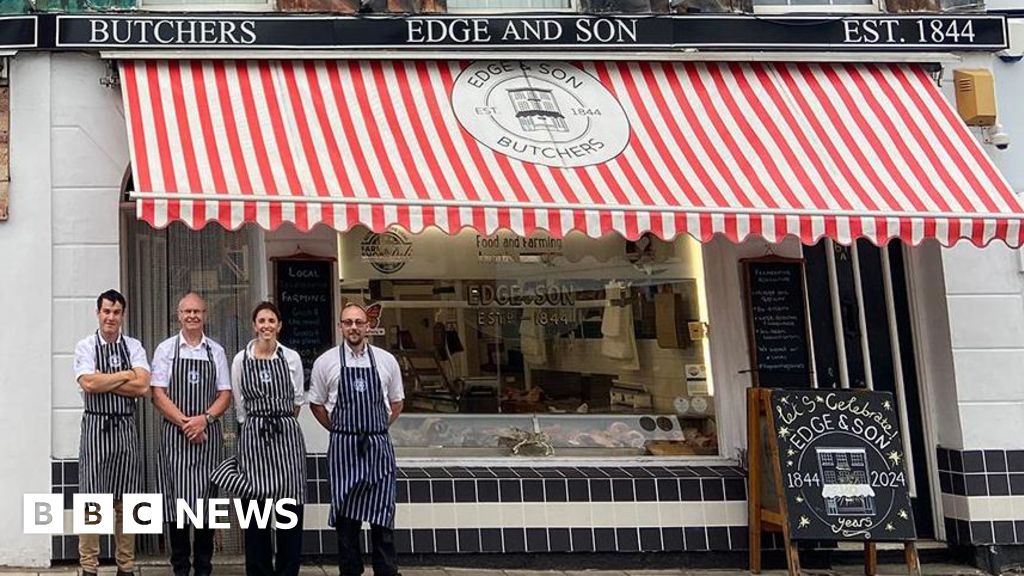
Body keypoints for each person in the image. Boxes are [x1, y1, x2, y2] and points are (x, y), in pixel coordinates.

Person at [211, 302, 307, 576]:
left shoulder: (291, 358)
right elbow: (240, 407)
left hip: (286, 439)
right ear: (254, 325)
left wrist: (279, 422)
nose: (266, 325)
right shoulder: (241, 359)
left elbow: (297, 402)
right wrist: (256, 429)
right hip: (253, 438)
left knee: (289, 511)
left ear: (279, 326)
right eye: (261, 320)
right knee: (255, 513)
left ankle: (288, 570)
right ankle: (258, 570)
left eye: (271, 320)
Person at [309, 303, 405, 576]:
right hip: (343, 447)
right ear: (340, 326)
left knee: (383, 517)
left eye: (359, 322)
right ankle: (350, 571)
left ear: (368, 326)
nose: (353, 327)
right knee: (346, 519)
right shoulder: (325, 362)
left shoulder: (387, 361)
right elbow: (316, 404)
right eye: (348, 322)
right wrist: (342, 430)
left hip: (377, 446)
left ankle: (386, 571)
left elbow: (397, 402)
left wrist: (374, 428)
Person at [150, 293, 232, 576]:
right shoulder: (166, 349)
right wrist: (187, 423)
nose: (193, 316)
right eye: (188, 311)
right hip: (176, 437)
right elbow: (157, 393)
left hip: (207, 438)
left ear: (205, 315)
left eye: (197, 311)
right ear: (179, 315)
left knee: (206, 507)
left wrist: (204, 420)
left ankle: (204, 567)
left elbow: (225, 394)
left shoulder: (216, 351)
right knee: (177, 507)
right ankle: (181, 568)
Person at [73, 289, 151, 576]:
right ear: (98, 313)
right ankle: (89, 567)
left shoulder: (134, 346)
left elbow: (142, 387)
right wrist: (125, 375)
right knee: (92, 500)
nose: (111, 317)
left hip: (125, 427)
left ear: (122, 315)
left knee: (127, 501)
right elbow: (88, 384)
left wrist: (104, 378)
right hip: (95, 426)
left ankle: (126, 566)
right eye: (106, 311)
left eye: (116, 312)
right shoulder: (85, 346)